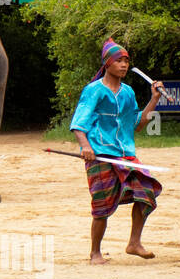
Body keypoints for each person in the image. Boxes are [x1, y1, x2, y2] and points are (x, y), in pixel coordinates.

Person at [70, 39, 165, 264]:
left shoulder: (128, 92)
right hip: (100, 154)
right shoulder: (93, 91)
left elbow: (138, 125)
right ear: (107, 64)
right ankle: (95, 252)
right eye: (119, 60)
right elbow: (79, 123)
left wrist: (154, 99)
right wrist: (85, 146)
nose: (123, 65)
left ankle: (134, 243)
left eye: (126, 61)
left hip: (125, 154)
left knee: (146, 192)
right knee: (102, 205)